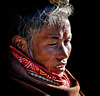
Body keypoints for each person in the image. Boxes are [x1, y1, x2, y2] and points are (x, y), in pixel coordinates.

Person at [1, 0, 84, 96]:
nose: (64, 55)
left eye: (66, 42)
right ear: (20, 45)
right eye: (53, 44)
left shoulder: (68, 83)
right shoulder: (12, 86)